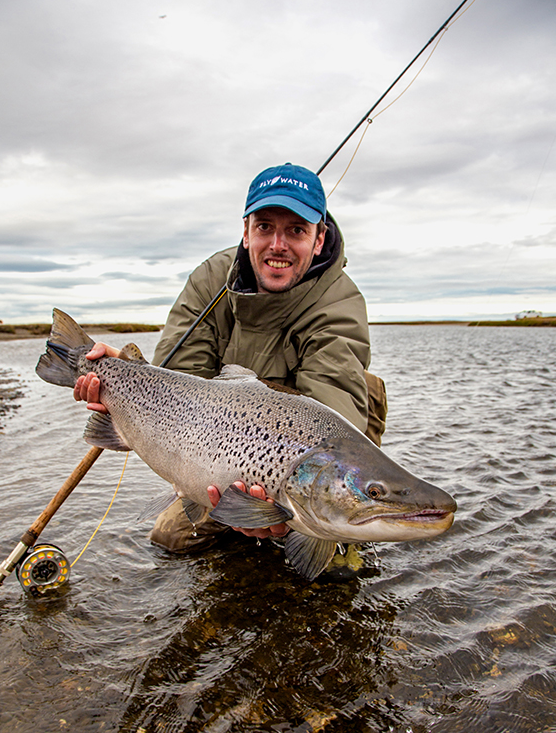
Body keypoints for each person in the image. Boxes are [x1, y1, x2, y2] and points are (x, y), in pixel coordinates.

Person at [74, 163, 387, 552]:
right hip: (220, 438)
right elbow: (176, 386)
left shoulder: (339, 301)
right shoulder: (211, 279)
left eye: (296, 230)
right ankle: (256, 528)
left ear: (319, 238)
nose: (278, 245)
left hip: (293, 450)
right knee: (170, 537)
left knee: (331, 546)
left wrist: (279, 498)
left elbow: (332, 411)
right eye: (265, 227)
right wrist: (123, 375)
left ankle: (334, 520)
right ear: (245, 231)